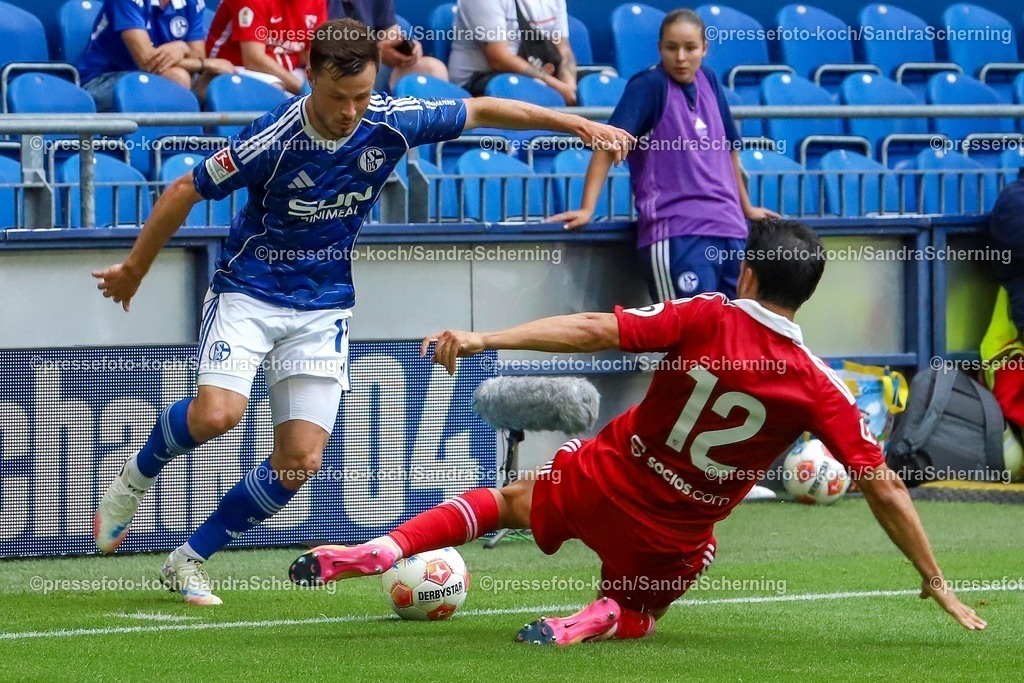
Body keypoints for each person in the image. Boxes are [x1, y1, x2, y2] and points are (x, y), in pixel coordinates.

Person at [91, 17, 634, 606]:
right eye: (337, 96)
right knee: (217, 415)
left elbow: (481, 110)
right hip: (248, 292)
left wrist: (578, 124)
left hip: (323, 307)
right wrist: (135, 269)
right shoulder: (272, 136)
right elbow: (183, 190)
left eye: (361, 95)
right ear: (310, 76)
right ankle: (134, 480)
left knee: (299, 462)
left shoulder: (389, 120)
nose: (350, 111)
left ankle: (189, 559)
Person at [288, 219, 986, 644]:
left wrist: (484, 337)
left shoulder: (707, 314)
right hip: (669, 538)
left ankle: (382, 548)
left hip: (600, 481)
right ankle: (597, 617)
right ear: (806, 294)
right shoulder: (818, 385)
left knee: (507, 501)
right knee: (654, 598)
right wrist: (935, 579)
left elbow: (595, 328)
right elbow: (884, 486)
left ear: (746, 273)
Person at [551, 9, 777, 302]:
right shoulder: (648, 86)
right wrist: (587, 208)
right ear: (659, 48)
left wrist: (746, 208)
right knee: (687, 330)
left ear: (705, 48)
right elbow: (608, 144)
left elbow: (729, 149)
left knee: (734, 328)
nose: (681, 57)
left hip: (731, 231)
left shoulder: (709, 80)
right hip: (677, 233)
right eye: (672, 48)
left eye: (690, 48)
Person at [78, 0, 237, 111]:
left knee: (215, 80)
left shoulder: (192, 2)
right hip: (100, 82)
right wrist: (204, 63)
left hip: (152, 78)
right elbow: (147, 61)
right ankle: (174, 144)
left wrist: (183, 49)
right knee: (177, 77)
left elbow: (197, 53)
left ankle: (210, 143)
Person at [448, 0, 577, 104]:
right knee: (518, 90)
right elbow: (499, 59)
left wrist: (570, 86)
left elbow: (563, 48)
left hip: (534, 80)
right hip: (478, 83)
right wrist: (558, 87)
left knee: (586, 88)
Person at [205, 0, 327, 94]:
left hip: (286, 71)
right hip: (232, 70)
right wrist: (304, 91)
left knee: (330, 86)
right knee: (273, 90)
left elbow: (313, 53)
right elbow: (253, 59)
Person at [327, 0, 448, 91]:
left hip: (373, 64)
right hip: (335, 67)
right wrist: (375, 52)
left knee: (432, 69)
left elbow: (390, 32)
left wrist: (407, 48)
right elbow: (324, 49)